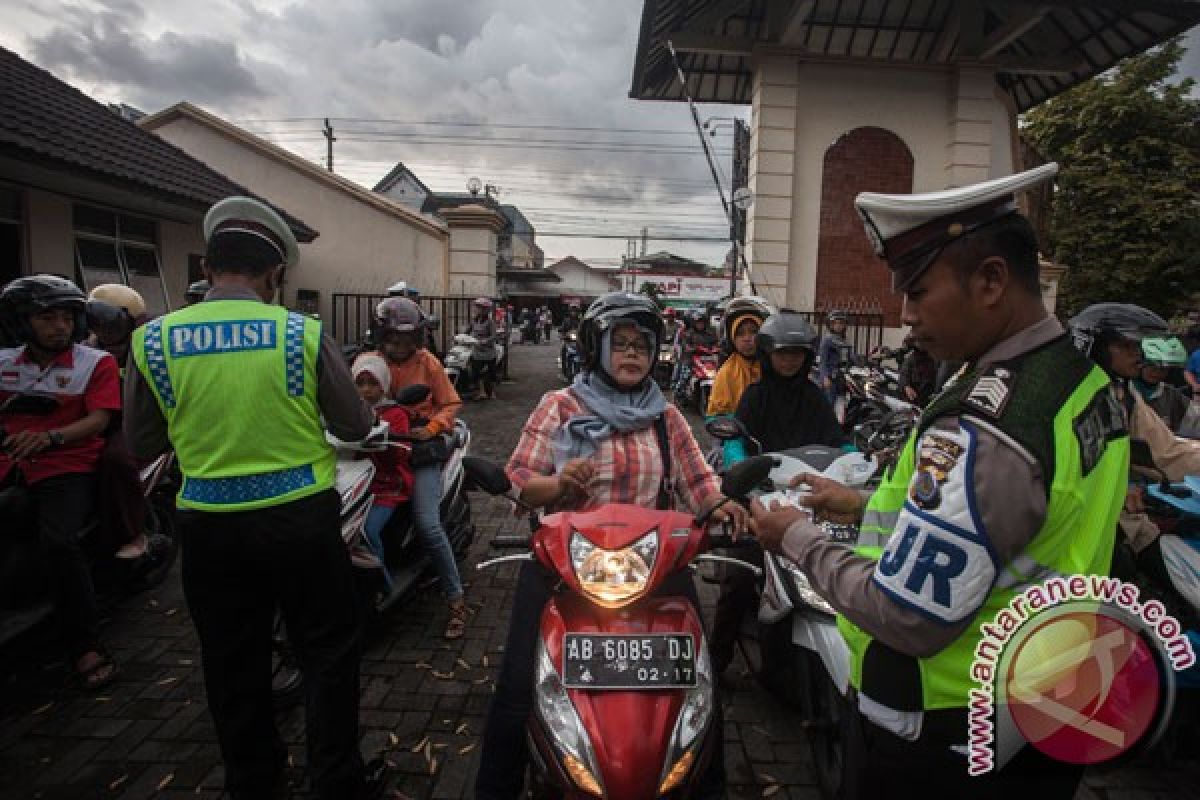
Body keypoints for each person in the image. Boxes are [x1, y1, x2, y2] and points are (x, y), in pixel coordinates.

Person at [749, 163, 1129, 797]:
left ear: (989, 281)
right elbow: (1002, 524)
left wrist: (795, 537)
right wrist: (860, 502)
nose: (906, 315)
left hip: (945, 727)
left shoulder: (988, 427)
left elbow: (907, 617)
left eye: (918, 291)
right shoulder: (1078, 383)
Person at [124, 197, 379, 800]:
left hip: (210, 528)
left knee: (232, 664)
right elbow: (352, 427)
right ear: (274, 274)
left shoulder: (153, 340)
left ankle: (254, 782)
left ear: (210, 268)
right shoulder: (300, 333)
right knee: (327, 655)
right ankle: (336, 782)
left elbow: (141, 441)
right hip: (301, 524)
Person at [475, 291, 748, 800]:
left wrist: (721, 508)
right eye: (619, 344)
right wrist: (556, 486)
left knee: (697, 687)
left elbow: (698, 482)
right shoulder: (558, 407)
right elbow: (519, 481)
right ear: (595, 349)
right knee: (518, 686)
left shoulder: (665, 417)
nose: (631, 355)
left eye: (641, 347)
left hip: (655, 565)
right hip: (566, 566)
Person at [709, 309, 847, 676]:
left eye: (797, 354)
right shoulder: (755, 396)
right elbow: (735, 439)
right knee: (739, 577)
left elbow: (837, 440)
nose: (789, 360)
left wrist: (856, 462)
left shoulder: (816, 398)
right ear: (769, 354)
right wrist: (741, 468)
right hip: (762, 497)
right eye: (782, 353)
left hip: (809, 497)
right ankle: (716, 661)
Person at [0, 275, 122, 690]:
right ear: (22, 322)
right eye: (47, 317)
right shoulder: (4, 364)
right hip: (10, 464)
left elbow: (99, 419)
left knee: (60, 543)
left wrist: (49, 438)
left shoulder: (95, 362)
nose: (59, 326)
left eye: (66, 317)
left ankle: (86, 644)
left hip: (66, 464)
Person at [366, 297, 468, 638]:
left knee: (428, 524)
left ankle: (456, 600)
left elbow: (451, 402)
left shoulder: (428, 363)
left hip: (419, 448)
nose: (400, 347)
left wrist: (433, 427)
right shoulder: (370, 362)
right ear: (381, 337)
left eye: (407, 341)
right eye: (394, 340)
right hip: (378, 447)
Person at [1067, 304, 1200, 560]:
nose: (1138, 355)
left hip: (1124, 526)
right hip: (1071, 535)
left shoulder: (1123, 395)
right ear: (1095, 346)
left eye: (1138, 346)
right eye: (1126, 346)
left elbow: (1169, 451)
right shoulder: (1062, 397)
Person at [86, 284, 152, 560]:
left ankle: (133, 532)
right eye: (96, 321)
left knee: (117, 460)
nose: (103, 329)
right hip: (94, 417)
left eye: (110, 322)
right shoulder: (87, 347)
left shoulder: (146, 346)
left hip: (131, 419)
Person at [350, 354, 413, 568]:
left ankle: (382, 584)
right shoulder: (348, 414)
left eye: (372, 383)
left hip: (387, 485)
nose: (366, 390)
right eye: (360, 383)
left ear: (384, 385)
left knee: (368, 531)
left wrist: (382, 437)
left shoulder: (395, 414)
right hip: (355, 483)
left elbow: (401, 453)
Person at [704, 295, 773, 462]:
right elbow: (718, 417)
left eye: (753, 331)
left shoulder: (772, 367)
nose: (747, 338)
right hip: (732, 437)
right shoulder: (727, 372)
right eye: (740, 333)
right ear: (732, 339)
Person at [1134, 335, 1191, 432]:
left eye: (1164, 369)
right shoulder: (1125, 392)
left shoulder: (1171, 395)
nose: (1157, 373)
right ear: (1141, 364)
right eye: (1153, 366)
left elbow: (1194, 417)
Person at [673, 308, 718, 393]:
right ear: (694, 323)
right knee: (684, 378)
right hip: (691, 360)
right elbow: (685, 346)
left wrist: (716, 348)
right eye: (698, 323)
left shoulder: (710, 334)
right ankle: (678, 394)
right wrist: (694, 348)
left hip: (707, 361)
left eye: (702, 323)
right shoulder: (689, 334)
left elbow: (716, 344)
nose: (700, 325)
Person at [817, 309, 851, 409]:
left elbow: (852, 358)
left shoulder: (844, 341)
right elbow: (822, 361)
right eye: (836, 323)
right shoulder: (827, 340)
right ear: (830, 325)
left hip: (843, 378)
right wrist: (825, 377)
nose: (839, 325)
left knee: (842, 405)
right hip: (830, 378)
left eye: (841, 323)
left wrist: (869, 360)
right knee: (829, 405)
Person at [467, 297, 499, 401]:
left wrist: (485, 341)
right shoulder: (474, 320)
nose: (477, 309)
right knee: (477, 372)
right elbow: (467, 331)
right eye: (477, 307)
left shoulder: (490, 322)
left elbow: (494, 336)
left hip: (489, 351)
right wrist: (459, 336)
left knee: (491, 372)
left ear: (486, 310)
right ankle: (482, 392)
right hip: (477, 350)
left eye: (480, 308)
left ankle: (493, 392)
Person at [898, 335, 938, 406]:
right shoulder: (912, 357)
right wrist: (906, 386)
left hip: (931, 397)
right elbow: (904, 372)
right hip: (914, 399)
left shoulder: (936, 357)